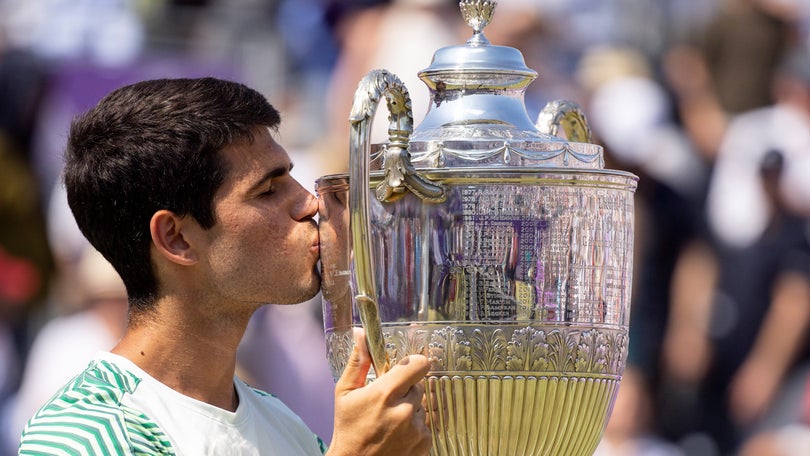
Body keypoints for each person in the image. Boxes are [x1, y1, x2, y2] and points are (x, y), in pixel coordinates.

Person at [17, 77, 432, 455]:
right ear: (176, 238)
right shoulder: (81, 435)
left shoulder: (281, 422)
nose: (310, 203)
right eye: (268, 189)